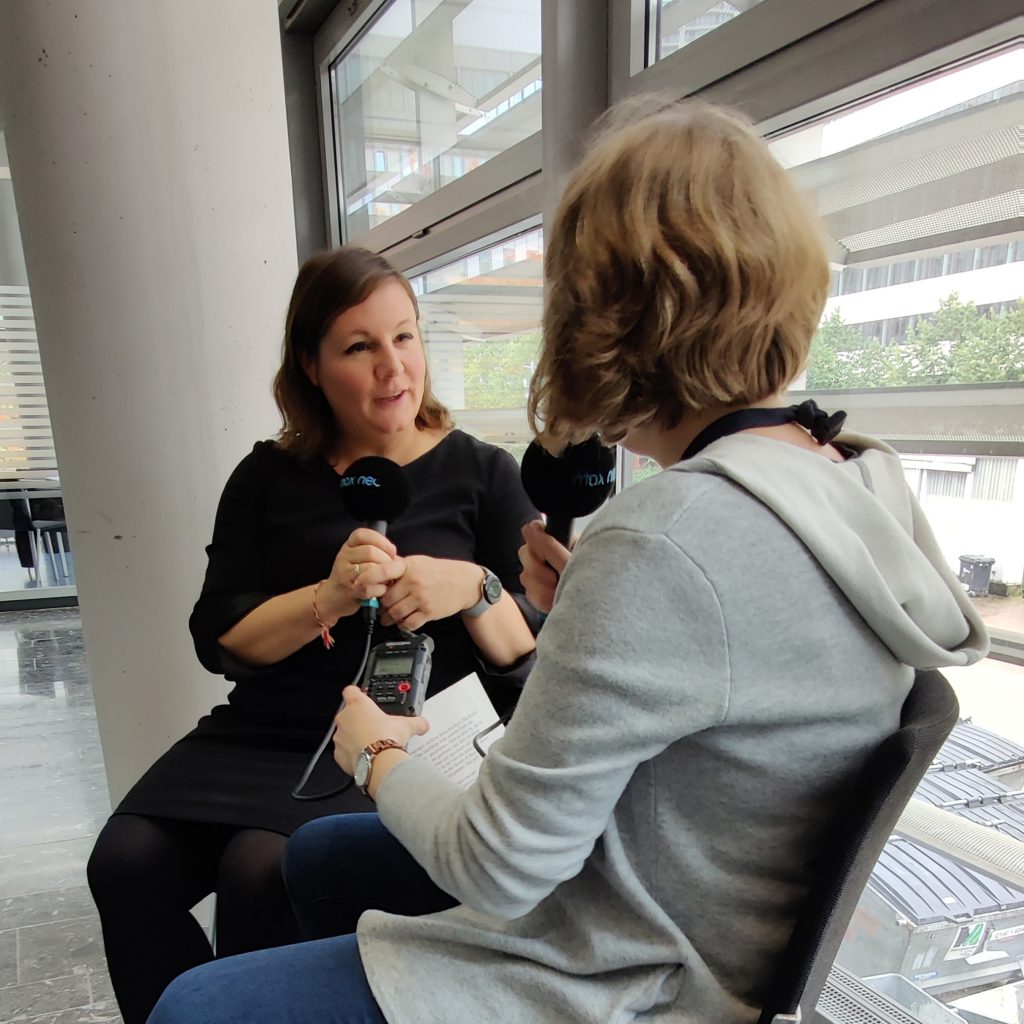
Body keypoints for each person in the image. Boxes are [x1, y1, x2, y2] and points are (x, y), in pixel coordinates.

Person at [147, 99, 988, 1024]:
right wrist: (583, 600)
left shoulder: (665, 536)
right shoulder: (859, 478)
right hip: (696, 909)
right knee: (308, 857)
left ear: (608, 310)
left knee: (196, 1006)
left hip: (622, 971)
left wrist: (378, 752)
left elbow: (500, 865)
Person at [86, 246, 539, 1024]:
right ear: (312, 366)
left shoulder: (484, 472)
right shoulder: (266, 476)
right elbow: (222, 636)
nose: (393, 368)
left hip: (385, 738)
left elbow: (528, 654)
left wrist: (470, 585)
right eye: (359, 347)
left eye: (404, 337)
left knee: (258, 869)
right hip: (261, 731)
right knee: (124, 861)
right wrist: (327, 596)